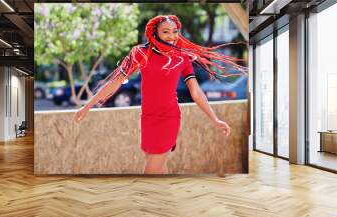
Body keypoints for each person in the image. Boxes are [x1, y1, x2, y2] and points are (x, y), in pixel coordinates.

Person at [73, 15, 246, 175]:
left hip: (168, 117)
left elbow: (196, 91)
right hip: (147, 117)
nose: (171, 36)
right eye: (165, 32)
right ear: (154, 33)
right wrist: (88, 105)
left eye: (175, 31)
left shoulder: (181, 57)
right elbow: (115, 81)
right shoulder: (141, 53)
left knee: (151, 172)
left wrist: (214, 119)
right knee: (158, 167)